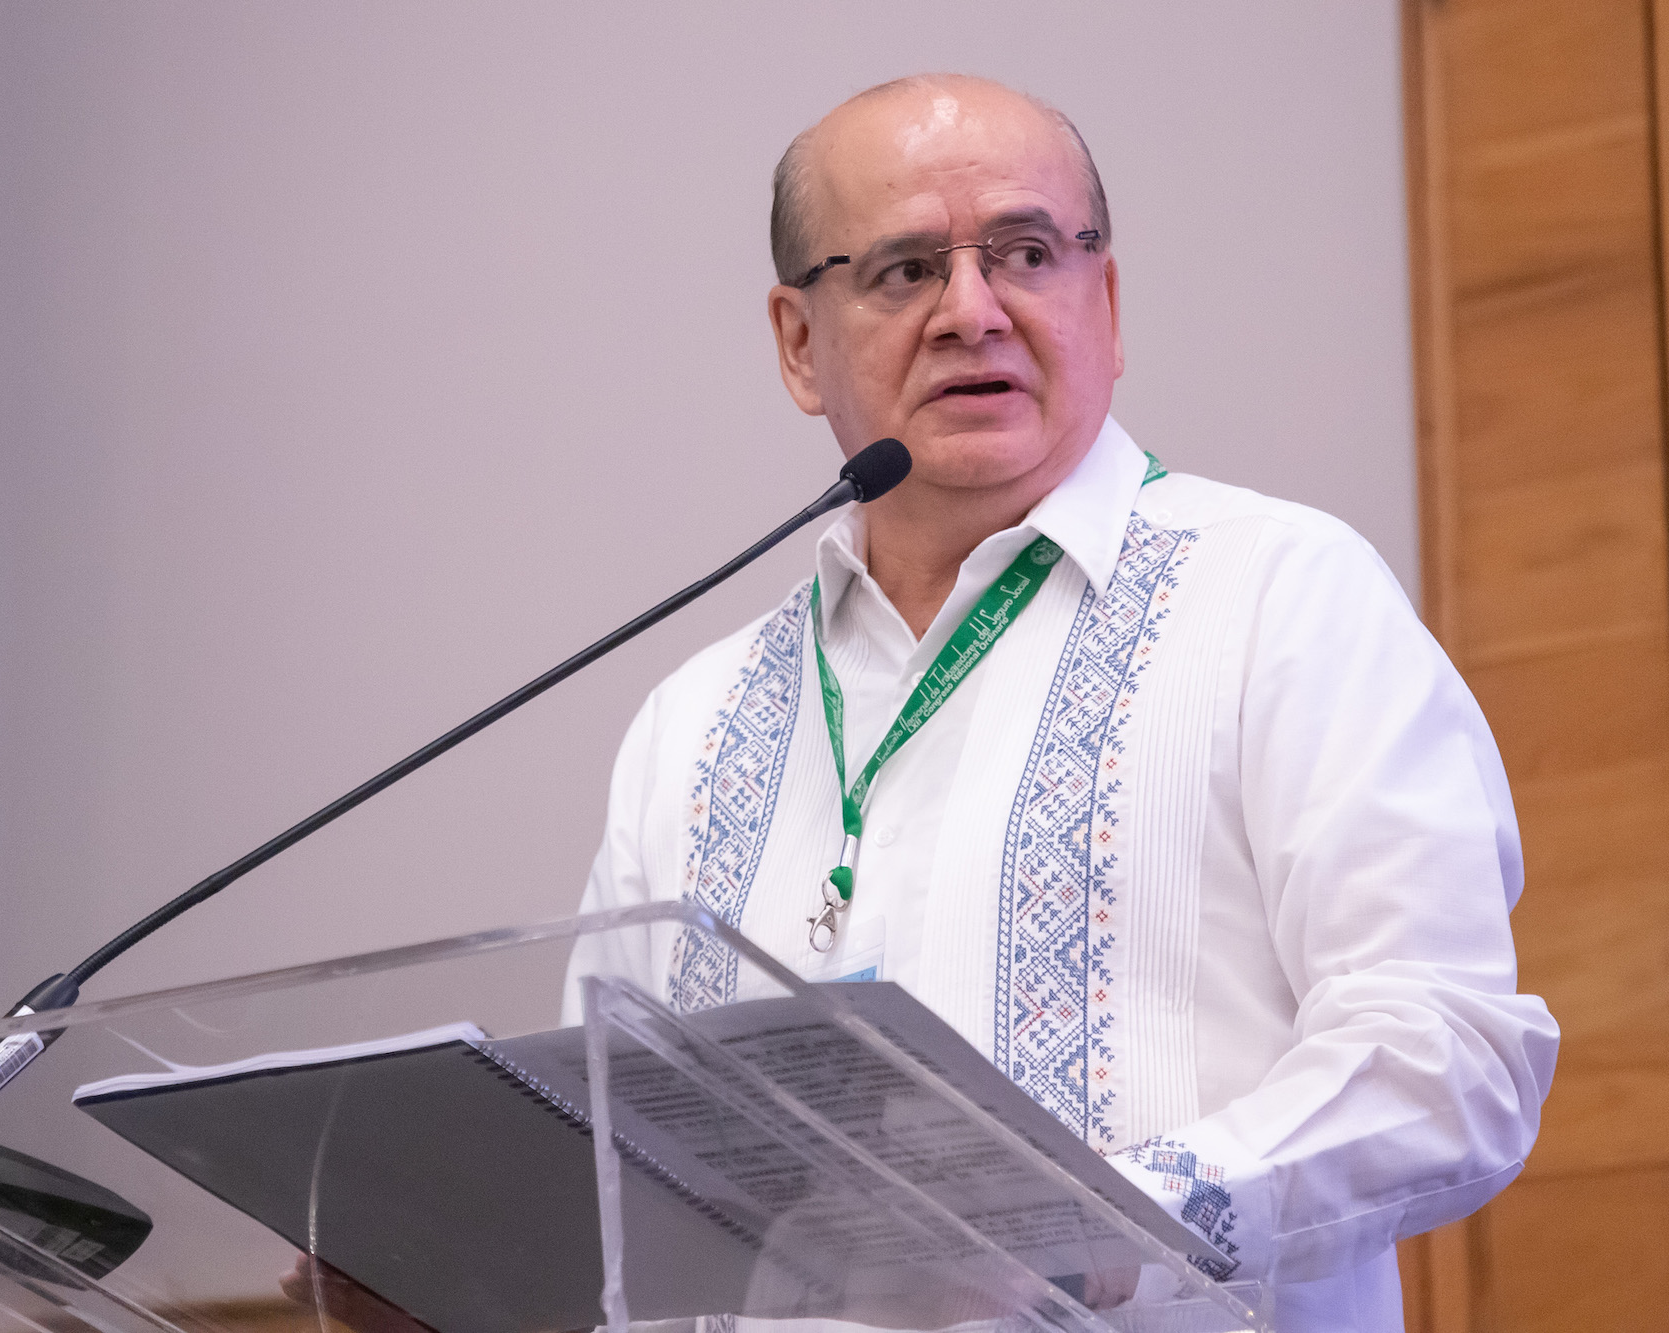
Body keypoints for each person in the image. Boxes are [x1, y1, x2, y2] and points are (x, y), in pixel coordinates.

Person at [556, 73, 1558, 1332]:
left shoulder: (1280, 597)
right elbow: (606, 1181)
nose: (971, 313)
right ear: (799, 343)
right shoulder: (688, 724)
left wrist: (1103, 1226)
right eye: (904, 270)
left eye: (1025, 254)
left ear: (1106, 302)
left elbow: (1448, 1062)